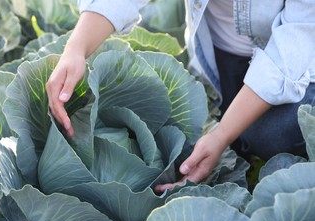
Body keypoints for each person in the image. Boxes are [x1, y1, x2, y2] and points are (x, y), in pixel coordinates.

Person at [45, 0, 315, 191]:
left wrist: (221, 135)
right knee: (219, 132)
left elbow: (291, 53)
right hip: (217, 57)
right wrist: (76, 49)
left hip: (302, 63)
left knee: (268, 134)